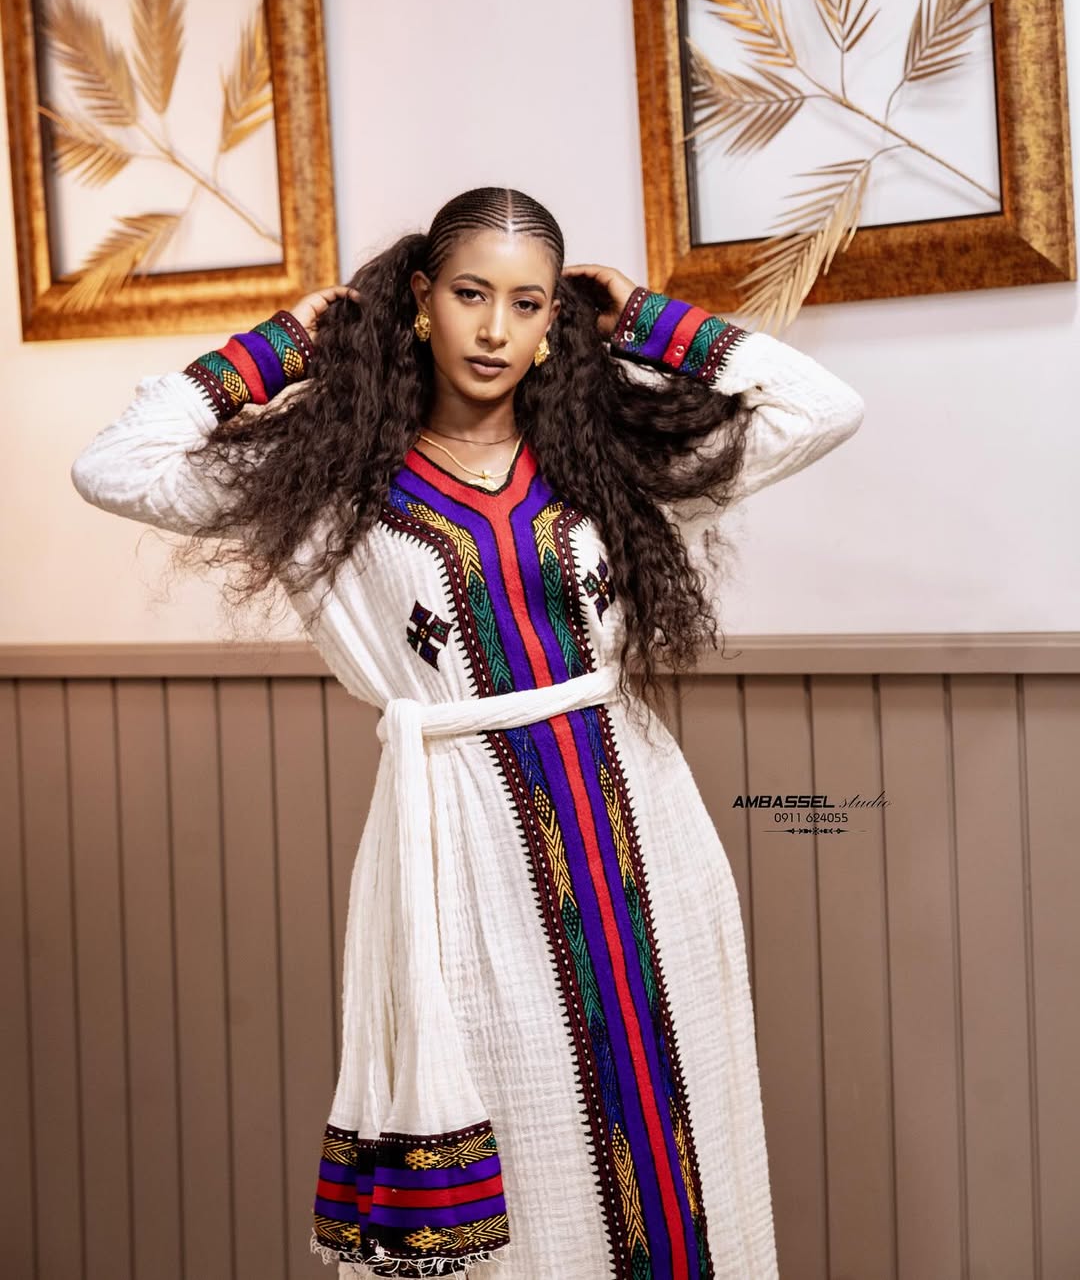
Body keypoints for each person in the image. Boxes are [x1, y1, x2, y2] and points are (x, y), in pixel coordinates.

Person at [70, 185, 865, 1279]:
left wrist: (642, 316)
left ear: (554, 326)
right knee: (532, 1143)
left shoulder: (608, 461)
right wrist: (284, 343)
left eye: (529, 303)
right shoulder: (331, 482)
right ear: (418, 300)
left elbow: (822, 409)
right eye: (471, 294)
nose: (495, 328)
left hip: (648, 844)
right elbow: (115, 466)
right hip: (466, 855)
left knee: (680, 1122)